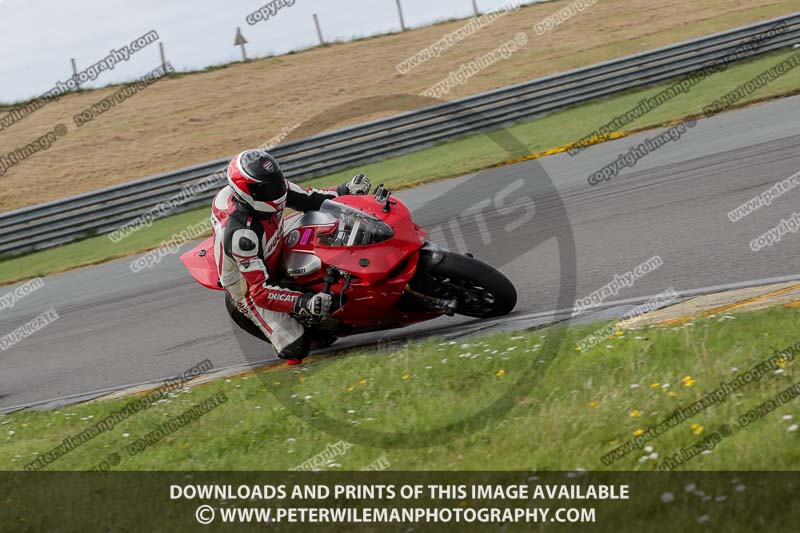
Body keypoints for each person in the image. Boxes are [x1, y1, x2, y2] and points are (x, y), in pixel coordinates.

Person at [211, 149, 370, 362]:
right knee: (296, 349)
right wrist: (305, 302)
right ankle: (303, 331)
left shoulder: (272, 188)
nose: (276, 188)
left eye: (275, 179)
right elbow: (260, 292)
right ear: (248, 193)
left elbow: (311, 199)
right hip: (246, 284)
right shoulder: (242, 234)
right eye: (267, 186)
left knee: (329, 233)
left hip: (274, 239)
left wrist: (345, 190)